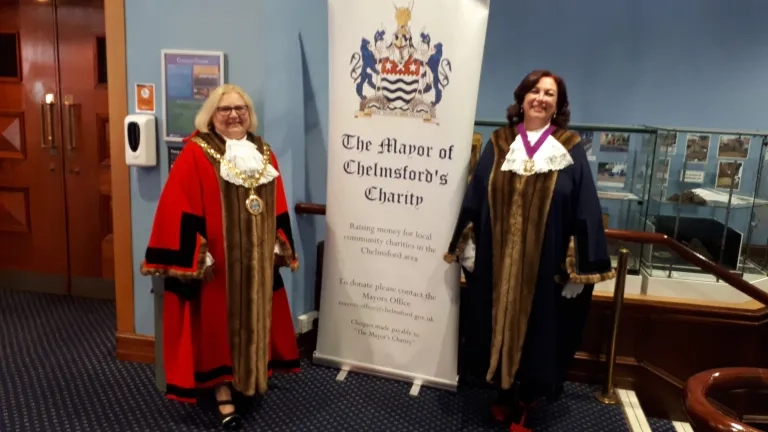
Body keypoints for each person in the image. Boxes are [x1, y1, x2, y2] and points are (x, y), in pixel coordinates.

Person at [444, 70, 615, 431]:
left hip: (545, 263)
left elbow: (584, 206)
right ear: (521, 99)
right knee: (491, 325)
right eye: (535, 91)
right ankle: (501, 394)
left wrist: (579, 268)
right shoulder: (499, 142)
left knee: (540, 329)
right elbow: (477, 194)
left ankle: (525, 400)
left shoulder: (569, 147)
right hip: (497, 259)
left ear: (558, 105)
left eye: (549, 93)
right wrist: (468, 241)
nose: (541, 97)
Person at [140, 84, 300, 430]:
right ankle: (222, 389)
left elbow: (277, 199)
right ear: (211, 116)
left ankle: (252, 376)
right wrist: (197, 252)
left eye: (240, 108)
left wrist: (279, 239)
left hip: (256, 262)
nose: (233, 115)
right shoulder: (196, 153)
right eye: (225, 109)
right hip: (220, 266)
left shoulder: (263, 151)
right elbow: (178, 205)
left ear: (249, 113)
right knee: (217, 328)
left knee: (257, 318)